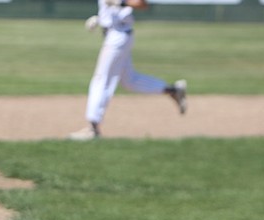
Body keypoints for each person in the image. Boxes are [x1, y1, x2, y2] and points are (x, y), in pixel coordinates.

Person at [70, 0, 187, 141]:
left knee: (101, 79)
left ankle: (93, 128)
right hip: (116, 33)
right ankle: (172, 90)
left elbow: (141, 4)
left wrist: (120, 2)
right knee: (130, 81)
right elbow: (113, 10)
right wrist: (101, 19)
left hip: (117, 37)